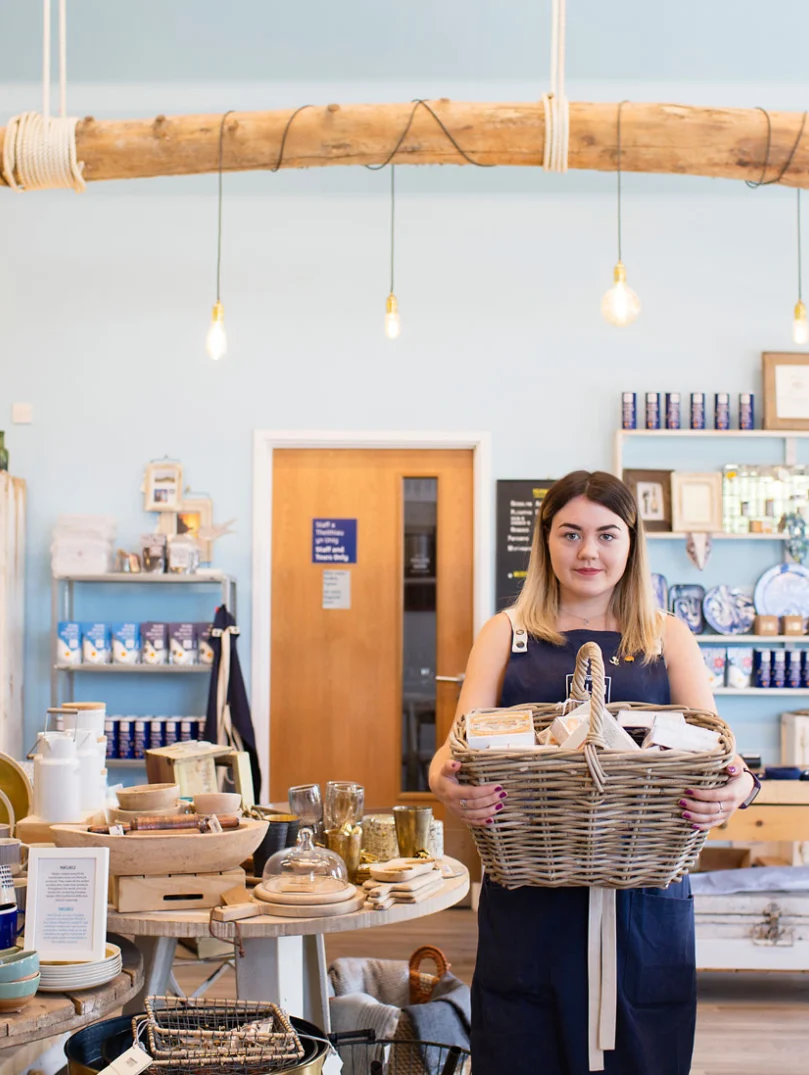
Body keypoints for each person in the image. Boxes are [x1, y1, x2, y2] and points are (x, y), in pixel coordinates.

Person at [428, 470, 757, 1075]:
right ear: (545, 540)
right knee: (525, 1050)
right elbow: (452, 751)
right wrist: (444, 783)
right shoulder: (506, 634)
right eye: (570, 534)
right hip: (532, 898)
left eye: (607, 535)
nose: (588, 552)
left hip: (642, 901)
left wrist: (740, 788)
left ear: (631, 543)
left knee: (642, 1054)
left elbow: (722, 754)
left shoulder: (667, 636)